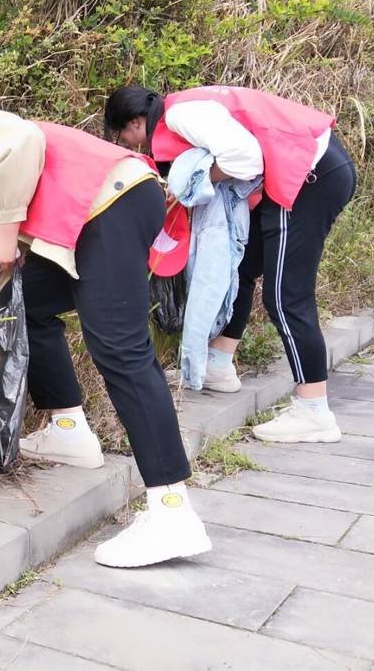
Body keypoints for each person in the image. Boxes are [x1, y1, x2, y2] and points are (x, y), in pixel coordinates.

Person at [0, 110, 211, 568]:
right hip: (105, 212)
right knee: (29, 304)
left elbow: (23, 139)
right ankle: (69, 430)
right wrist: (2, 248)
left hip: (113, 203)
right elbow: (38, 214)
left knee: (121, 351)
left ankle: (171, 512)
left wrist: (4, 233)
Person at [105, 85, 356, 444]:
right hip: (310, 167)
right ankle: (218, 365)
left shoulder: (181, 116)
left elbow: (246, 159)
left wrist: (195, 182)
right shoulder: (182, 107)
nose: (131, 144)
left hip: (308, 177)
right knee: (240, 267)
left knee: (287, 298)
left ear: (135, 122)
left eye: (125, 135)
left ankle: (314, 410)